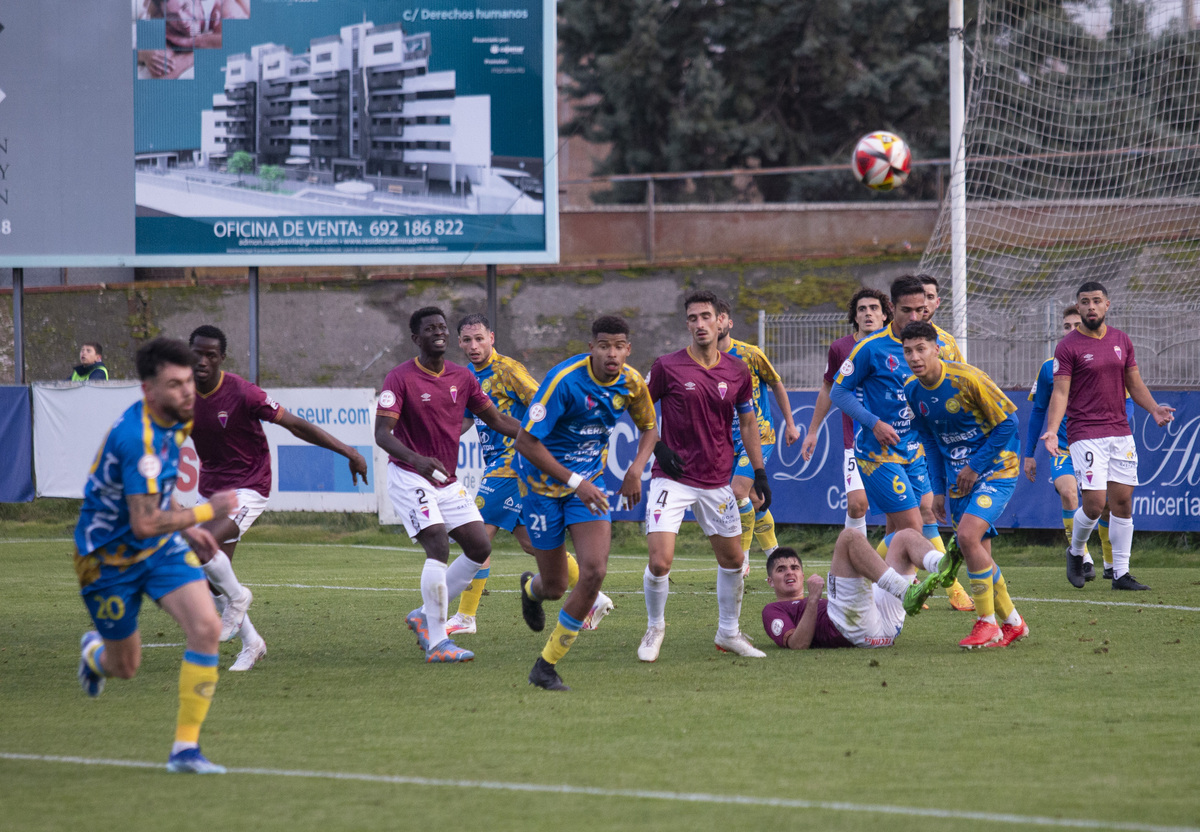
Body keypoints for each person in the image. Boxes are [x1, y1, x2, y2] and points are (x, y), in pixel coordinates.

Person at [74, 336, 239, 773]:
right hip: (105, 558)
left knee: (206, 627)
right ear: (148, 389)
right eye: (174, 384)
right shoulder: (137, 438)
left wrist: (186, 527)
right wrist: (206, 513)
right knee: (124, 666)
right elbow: (144, 520)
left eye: (188, 381)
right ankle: (94, 654)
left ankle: (185, 750)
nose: (187, 392)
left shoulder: (178, 420)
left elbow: (158, 501)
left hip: (159, 549)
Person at [188, 324, 368, 671]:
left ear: (222, 358)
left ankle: (238, 598)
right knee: (208, 577)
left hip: (249, 486)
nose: (203, 361)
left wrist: (347, 451)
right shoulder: (181, 395)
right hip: (210, 489)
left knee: (203, 544)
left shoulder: (243, 393)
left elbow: (296, 425)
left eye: (211, 354)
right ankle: (252, 643)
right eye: (197, 353)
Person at [446, 313, 614, 637]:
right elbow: (466, 420)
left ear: (492, 338)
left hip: (512, 463)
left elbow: (544, 401)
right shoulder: (469, 376)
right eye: (467, 340)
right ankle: (594, 598)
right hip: (501, 467)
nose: (473, 346)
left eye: (479, 338)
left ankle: (465, 617)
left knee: (477, 537)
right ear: (459, 343)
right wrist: (441, 435)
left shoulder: (507, 370)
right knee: (531, 544)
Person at [515, 316, 658, 690]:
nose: (612, 353)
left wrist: (635, 469)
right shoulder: (564, 381)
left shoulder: (632, 382)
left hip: (588, 486)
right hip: (541, 488)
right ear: (591, 347)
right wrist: (575, 481)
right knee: (555, 585)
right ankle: (531, 590)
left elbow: (649, 428)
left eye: (619, 346)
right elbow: (526, 442)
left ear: (628, 349)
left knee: (594, 571)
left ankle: (545, 667)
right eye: (604, 346)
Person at [375, 307, 521, 663]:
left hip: (445, 479)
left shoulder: (462, 377)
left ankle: (424, 616)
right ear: (416, 338)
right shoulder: (400, 377)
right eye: (430, 328)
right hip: (410, 475)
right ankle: (438, 642)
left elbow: (498, 418)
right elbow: (382, 434)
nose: (438, 332)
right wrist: (417, 459)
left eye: (442, 327)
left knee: (479, 547)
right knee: (438, 545)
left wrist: (538, 437)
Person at [637, 291, 769, 663]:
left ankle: (728, 632)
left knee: (732, 561)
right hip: (672, 478)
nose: (699, 324)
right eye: (692, 318)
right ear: (687, 324)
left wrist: (759, 471)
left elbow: (747, 422)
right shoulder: (667, 366)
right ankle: (655, 627)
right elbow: (641, 409)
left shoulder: (737, 370)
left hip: (717, 480)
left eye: (705, 317)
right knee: (660, 562)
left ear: (720, 321)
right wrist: (658, 447)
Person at [830, 276, 974, 611]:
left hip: (916, 449)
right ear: (891, 308)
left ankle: (864, 572)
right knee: (913, 527)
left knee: (913, 519)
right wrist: (874, 423)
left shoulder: (940, 343)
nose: (914, 318)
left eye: (921, 310)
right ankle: (941, 587)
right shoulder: (871, 348)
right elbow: (839, 391)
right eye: (906, 310)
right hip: (877, 454)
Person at [902, 321, 1029, 648]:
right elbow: (929, 441)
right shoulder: (912, 391)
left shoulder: (967, 379)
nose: (915, 357)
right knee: (978, 554)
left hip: (998, 468)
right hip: (958, 479)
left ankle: (986, 622)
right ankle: (1013, 622)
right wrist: (939, 489)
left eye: (921, 349)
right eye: (908, 351)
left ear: (937, 348)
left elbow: (1009, 424)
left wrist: (975, 466)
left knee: (967, 537)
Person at [1040, 281, 1174, 590]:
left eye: (1096, 301)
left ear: (1107, 305)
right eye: (1084, 301)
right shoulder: (1068, 346)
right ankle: (1076, 552)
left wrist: (1153, 409)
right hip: (1085, 432)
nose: (1090, 307)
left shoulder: (1121, 341)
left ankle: (1120, 574)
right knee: (1095, 504)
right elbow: (1060, 393)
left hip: (1120, 431)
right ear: (1079, 306)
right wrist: (1051, 431)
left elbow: (1134, 382)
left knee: (1123, 503)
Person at [715, 301, 801, 574]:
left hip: (758, 435)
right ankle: (775, 555)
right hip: (725, 439)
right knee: (754, 500)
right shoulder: (702, 362)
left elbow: (776, 383)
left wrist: (790, 423)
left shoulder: (750, 354)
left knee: (737, 492)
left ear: (728, 323)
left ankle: (742, 559)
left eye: (720, 318)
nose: (714, 324)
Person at [762, 531, 957, 650]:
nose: (790, 573)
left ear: (803, 576)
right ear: (770, 581)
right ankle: (906, 592)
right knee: (849, 537)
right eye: (781, 570)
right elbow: (797, 644)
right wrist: (813, 599)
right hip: (850, 629)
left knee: (904, 536)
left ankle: (941, 565)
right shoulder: (773, 610)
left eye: (794, 568)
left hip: (884, 629)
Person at [802, 288, 891, 539]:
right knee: (857, 505)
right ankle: (855, 567)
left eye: (874, 308)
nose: (868, 313)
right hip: (857, 441)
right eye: (862, 309)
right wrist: (812, 431)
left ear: (885, 315)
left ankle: (897, 570)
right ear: (855, 316)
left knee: (899, 511)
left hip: (895, 439)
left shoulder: (897, 346)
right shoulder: (841, 348)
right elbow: (828, 388)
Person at [1024, 306, 1097, 578]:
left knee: (1103, 504)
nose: (1071, 330)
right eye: (1066, 326)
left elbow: (1125, 402)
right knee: (1068, 492)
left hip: (1097, 445)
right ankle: (1082, 556)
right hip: (1064, 448)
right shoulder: (1048, 368)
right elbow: (1038, 410)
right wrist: (1029, 453)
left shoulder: (1102, 360)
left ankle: (1114, 566)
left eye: (1076, 325)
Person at [917, 274, 964, 361]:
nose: (925, 303)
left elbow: (963, 373)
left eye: (930, 297)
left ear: (937, 302)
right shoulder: (890, 337)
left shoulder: (948, 342)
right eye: (920, 297)